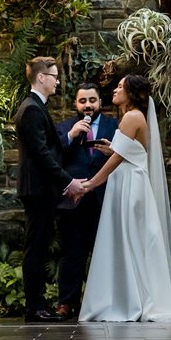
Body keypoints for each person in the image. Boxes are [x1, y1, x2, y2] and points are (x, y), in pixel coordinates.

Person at [74, 75, 171, 324]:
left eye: (120, 86)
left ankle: (132, 300)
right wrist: (112, 148)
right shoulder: (132, 117)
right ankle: (133, 296)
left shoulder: (131, 117)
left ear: (131, 92)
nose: (115, 89)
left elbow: (118, 159)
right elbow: (132, 152)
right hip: (130, 181)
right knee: (132, 240)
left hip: (129, 184)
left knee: (129, 239)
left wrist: (91, 184)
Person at [14, 55, 82, 321]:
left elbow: (50, 147)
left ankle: (37, 305)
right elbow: (42, 154)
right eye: (54, 76)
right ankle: (35, 307)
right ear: (41, 78)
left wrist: (69, 137)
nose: (57, 81)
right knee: (36, 247)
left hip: (41, 189)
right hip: (37, 189)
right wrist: (68, 182)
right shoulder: (31, 108)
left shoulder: (37, 107)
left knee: (39, 246)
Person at [56, 79, 118, 317]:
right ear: (76, 103)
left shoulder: (116, 125)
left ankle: (105, 303)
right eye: (83, 101)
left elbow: (126, 158)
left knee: (106, 254)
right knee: (72, 253)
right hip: (74, 202)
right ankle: (66, 302)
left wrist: (113, 150)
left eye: (92, 100)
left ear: (100, 102)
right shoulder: (64, 128)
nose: (88, 105)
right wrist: (71, 136)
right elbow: (54, 158)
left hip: (106, 199)